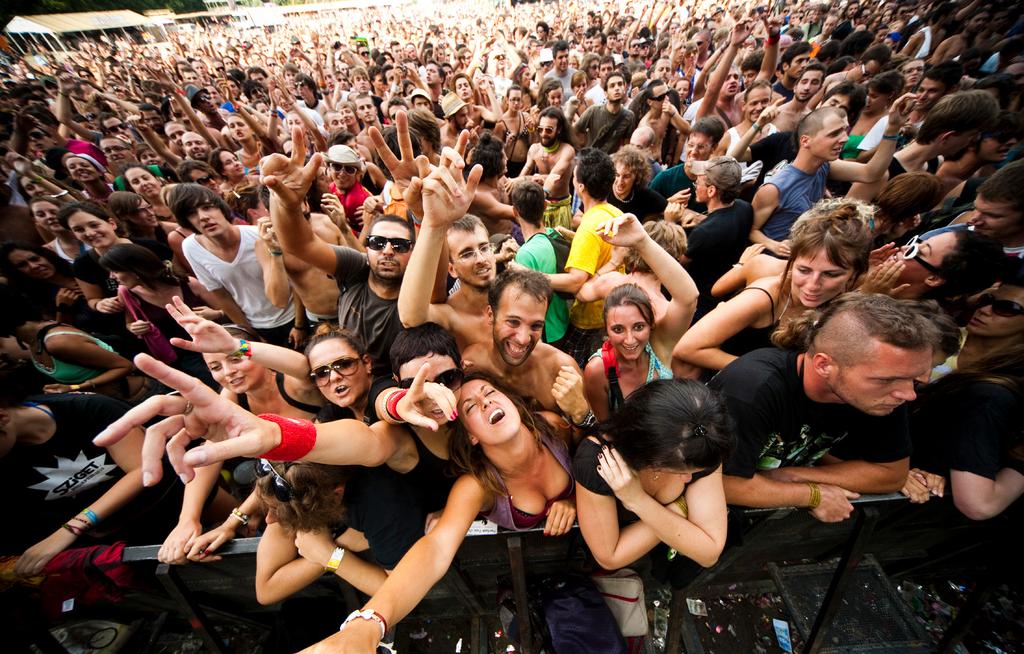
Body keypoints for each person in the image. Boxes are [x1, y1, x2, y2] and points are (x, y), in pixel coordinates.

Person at [710, 293, 944, 522]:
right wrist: (812, 494)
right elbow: (722, 482)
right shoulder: (751, 389)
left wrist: (793, 476)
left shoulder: (885, 393)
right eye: (885, 379)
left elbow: (891, 474)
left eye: (912, 379)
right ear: (824, 364)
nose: (908, 394)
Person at [0, 372, 191, 577]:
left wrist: (71, 529)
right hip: (118, 542)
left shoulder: (88, 408)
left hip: (174, 501)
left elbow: (141, 470)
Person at [263, 127, 413, 378]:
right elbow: (299, 244)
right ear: (366, 248)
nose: (387, 250)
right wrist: (286, 206)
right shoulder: (356, 268)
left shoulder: (416, 285)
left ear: (413, 253)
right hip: (347, 374)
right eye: (377, 242)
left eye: (399, 245)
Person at [674, 200, 872, 379]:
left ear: (854, 275)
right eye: (803, 270)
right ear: (791, 262)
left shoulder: (851, 294)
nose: (812, 285)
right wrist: (773, 375)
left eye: (831, 274)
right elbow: (687, 348)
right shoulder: (763, 296)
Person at [573, 379, 732, 571]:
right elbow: (610, 557)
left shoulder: (705, 443)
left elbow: (709, 553)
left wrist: (637, 501)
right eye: (680, 472)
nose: (689, 479)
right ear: (650, 458)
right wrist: (681, 510)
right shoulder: (597, 461)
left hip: (673, 566)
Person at [751, 102, 911, 257]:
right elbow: (751, 230)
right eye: (834, 134)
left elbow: (872, 173)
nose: (845, 139)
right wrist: (773, 245)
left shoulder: (825, 166)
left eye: (845, 131)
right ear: (806, 141)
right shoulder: (775, 188)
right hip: (770, 264)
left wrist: (892, 129)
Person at [579, 213, 697, 419]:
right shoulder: (599, 369)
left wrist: (636, 246)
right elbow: (603, 425)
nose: (630, 339)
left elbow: (582, 292)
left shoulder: (612, 280)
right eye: (618, 328)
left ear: (651, 324)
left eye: (639, 326)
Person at [169, 183, 297, 346]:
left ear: (221, 208)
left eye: (207, 207)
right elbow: (222, 295)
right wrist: (250, 334)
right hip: (257, 326)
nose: (203, 217)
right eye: (192, 213)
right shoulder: (191, 247)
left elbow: (297, 281)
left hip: (293, 317)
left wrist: (300, 325)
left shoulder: (258, 236)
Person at [98, 243, 223, 386]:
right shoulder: (126, 293)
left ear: (135, 269)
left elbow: (227, 311)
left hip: (217, 342)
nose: (112, 276)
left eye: (115, 270)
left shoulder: (188, 283)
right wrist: (134, 327)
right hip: (185, 356)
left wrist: (216, 314)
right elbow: (129, 322)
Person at [0, 286, 152, 401]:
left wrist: (74, 387)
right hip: (120, 402)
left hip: (142, 396)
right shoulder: (33, 339)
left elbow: (125, 365)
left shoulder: (57, 342)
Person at [547, 147, 622, 367]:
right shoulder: (614, 214)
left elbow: (575, 282)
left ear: (580, 186)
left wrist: (530, 275)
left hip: (589, 321)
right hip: (610, 312)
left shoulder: (589, 226)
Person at [398, 207, 495, 351]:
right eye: (467, 254)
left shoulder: (513, 294)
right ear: (452, 269)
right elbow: (410, 317)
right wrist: (428, 222)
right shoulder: (449, 315)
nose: (480, 259)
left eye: (484, 248)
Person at [680, 156, 755, 319]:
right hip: (725, 298)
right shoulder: (745, 208)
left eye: (697, 183)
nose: (695, 186)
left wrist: (670, 222)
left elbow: (677, 264)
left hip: (700, 305)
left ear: (712, 190)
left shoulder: (704, 233)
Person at [509, 180, 570, 346]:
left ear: (515, 211)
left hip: (545, 337)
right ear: (545, 205)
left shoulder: (525, 255)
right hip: (563, 324)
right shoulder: (556, 235)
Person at [517, 107, 575, 230]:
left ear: (559, 130)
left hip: (561, 209)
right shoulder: (534, 149)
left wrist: (523, 179)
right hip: (539, 209)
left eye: (549, 130)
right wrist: (515, 182)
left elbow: (554, 177)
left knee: (561, 247)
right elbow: (521, 177)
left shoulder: (567, 150)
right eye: (540, 129)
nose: (543, 134)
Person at [573, 71, 634, 154]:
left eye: (620, 84)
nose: (617, 88)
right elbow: (575, 131)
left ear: (625, 89)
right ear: (605, 93)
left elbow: (627, 146)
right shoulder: (593, 111)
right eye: (612, 86)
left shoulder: (629, 116)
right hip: (591, 160)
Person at [608, 146, 667, 221]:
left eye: (626, 176)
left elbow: (667, 208)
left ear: (637, 177)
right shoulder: (604, 189)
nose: (620, 181)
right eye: (617, 175)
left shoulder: (643, 194)